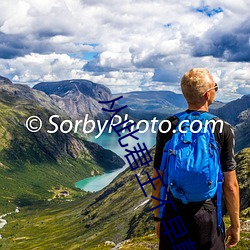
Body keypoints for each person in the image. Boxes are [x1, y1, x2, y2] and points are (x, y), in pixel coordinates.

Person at [152, 68, 240, 249]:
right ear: (208, 94)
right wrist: (235, 225)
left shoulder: (168, 125)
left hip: (173, 213)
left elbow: (158, 179)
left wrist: (158, 218)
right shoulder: (222, 129)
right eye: (216, 87)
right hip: (207, 215)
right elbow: (230, 185)